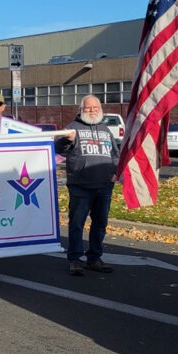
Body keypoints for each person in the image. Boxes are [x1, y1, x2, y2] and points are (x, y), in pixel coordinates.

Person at [55, 95, 118, 276]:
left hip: (105, 185)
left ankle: (94, 258)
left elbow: (115, 154)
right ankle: (75, 259)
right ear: (81, 110)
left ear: (100, 109)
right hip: (80, 185)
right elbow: (58, 148)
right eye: (88, 108)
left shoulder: (106, 130)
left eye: (95, 108)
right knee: (77, 223)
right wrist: (66, 139)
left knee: (100, 223)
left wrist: (115, 172)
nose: (92, 111)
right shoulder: (72, 128)